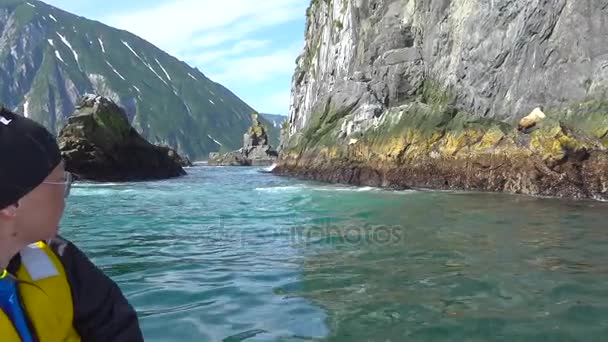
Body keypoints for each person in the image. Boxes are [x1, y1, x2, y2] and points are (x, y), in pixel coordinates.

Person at [0, 107, 144, 341]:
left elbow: (117, 328)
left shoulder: (63, 260)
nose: (66, 192)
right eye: (59, 182)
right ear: (11, 202)